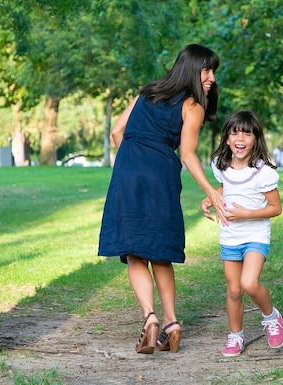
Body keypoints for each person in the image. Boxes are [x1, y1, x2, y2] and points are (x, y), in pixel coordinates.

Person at [98, 44, 228, 355]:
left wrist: (129, 164)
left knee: (134, 252)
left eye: (213, 71)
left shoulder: (147, 93)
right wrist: (211, 190)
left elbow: (118, 132)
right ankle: (171, 322)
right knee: (159, 251)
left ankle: (150, 317)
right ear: (191, 69)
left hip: (128, 172)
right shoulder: (193, 105)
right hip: (161, 175)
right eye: (206, 70)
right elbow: (186, 153)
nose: (211, 77)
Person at [201, 110, 283, 357]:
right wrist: (210, 198)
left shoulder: (262, 172)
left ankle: (271, 316)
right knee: (234, 290)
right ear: (227, 138)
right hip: (230, 236)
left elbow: (276, 208)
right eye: (234, 132)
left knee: (248, 283)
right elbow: (225, 187)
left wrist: (246, 214)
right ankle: (236, 336)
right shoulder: (221, 166)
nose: (240, 138)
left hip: (255, 235)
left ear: (255, 139)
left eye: (246, 133)